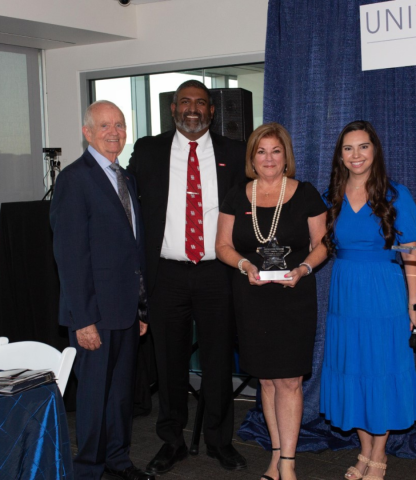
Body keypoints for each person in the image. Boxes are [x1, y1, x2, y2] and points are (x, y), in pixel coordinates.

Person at [127, 80, 247, 474]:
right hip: (167, 275)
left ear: (212, 111)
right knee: (169, 363)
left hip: (218, 273)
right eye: (184, 102)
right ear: (173, 109)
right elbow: (124, 203)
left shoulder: (233, 152)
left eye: (200, 103)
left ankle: (218, 440)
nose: (192, 109)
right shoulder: (148, 151)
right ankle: (171, 440)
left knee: (217, 361)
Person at [216, 122, 328, 480]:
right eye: (261, 151)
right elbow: (222, 247)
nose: (268, 158)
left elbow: (324, 243)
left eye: (275, 151)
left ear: (286, 157)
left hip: (293, 297)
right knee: (266, 381)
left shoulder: (306, 193)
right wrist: (245, 264)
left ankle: (289, 465)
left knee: (291, 381)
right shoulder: (236, 194)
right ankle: (276, 458)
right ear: (252, 157)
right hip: (251, 298)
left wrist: (305, 268)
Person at [50, 100, 154, 480]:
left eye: (120, 126)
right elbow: (71, 258)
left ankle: (118, 462)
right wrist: (84, 319)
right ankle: (89, 471)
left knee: (120, 396)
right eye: (105, 126)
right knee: (94, 398)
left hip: (126, 311)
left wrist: (142, 309)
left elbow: (133, 251)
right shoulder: (74, 179)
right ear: (87, 132)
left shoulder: (125, 177)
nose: (115, 132)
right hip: (94, 314)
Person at [320, 120, 416, 480]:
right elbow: (315, 244)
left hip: (384, 293)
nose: (356, 155)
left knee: (381, 370)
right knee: (353, 370)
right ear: (340, 155)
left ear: (374, 151)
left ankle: (379, 455)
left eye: (363, 147)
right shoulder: (330, 196)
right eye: (348, 148)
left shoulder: (396, 195)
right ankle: (364, 450)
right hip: (345, 294)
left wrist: (414, 304)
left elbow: (411, 254)